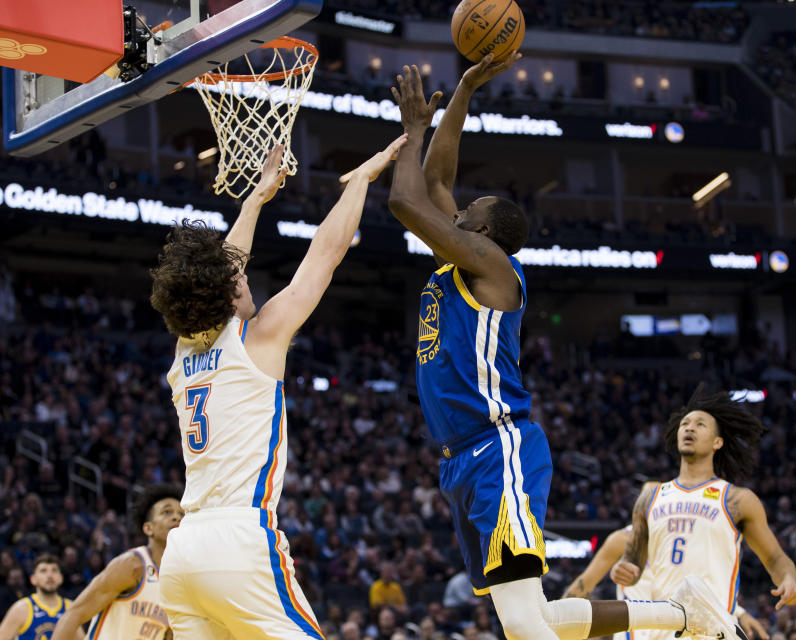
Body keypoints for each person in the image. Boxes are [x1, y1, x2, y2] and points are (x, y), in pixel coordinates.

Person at [387, 59, 738, 640]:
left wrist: (414, 130)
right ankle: (682, 616)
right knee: (535, 617)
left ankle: (685, 616)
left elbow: (406, 200)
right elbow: (432, 184)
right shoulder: (463, 258)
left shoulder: (494, 269)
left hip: (497, 445)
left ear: (485, 233)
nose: (459, 206)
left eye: (470, 210)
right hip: (459, 459)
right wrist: (467, 89)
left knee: (525, 626)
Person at [150, 138, 405, 639]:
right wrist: (359, 183)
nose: (244, 275)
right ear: (228, 293)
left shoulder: (184, 352)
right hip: (238, 538)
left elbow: (226, 262)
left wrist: (255, 200)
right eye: (237, 277)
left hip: (182, 555)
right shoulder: (260, 335)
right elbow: (324, 255)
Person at [610, 387, 796, 639]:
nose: (689, 428)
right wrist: (622, 570)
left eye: (700, 424)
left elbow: (776, 558)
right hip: (661, 629)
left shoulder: (737, 499)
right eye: (685, 424)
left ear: (717, 442)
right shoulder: (650, 497)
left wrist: (788, 578)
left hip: (713, 629)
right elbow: (632, 563)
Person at [562, 524, 768, 640]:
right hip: (636, 633)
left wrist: (740, 612)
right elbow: (583, 584)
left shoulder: (685, 543)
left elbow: (698, 587)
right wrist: (555, 623)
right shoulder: (624, 540)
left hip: (676, 632)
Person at [51, 484, 183, 640]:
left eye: (181, 514)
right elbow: (74, 615)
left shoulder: (180, 582)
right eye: (167, 512)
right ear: (148, 528)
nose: (176, 517)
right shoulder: (132, 565)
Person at [0, 554, 75, 640]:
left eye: (54, 570)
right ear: (33, 579)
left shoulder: (71, 608)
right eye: (43, 571)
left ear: (61, 578)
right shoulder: (20, 609)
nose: (49, 575)